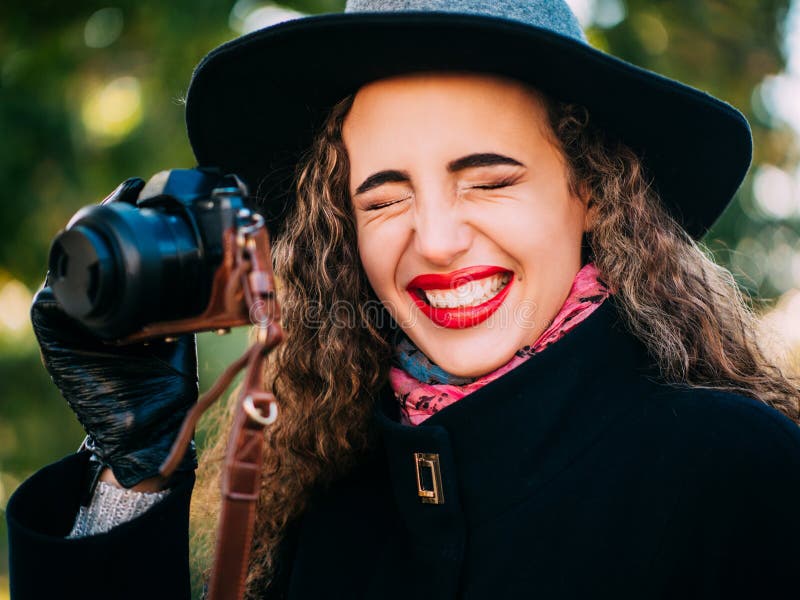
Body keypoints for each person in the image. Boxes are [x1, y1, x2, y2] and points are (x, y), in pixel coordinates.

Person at [7, 0, 800, 598]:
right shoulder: (324, 514)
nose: (438, 238)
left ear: (591, 192)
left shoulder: (742, 476)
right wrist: (132, 478)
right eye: (383, 200)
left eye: (489, 181)